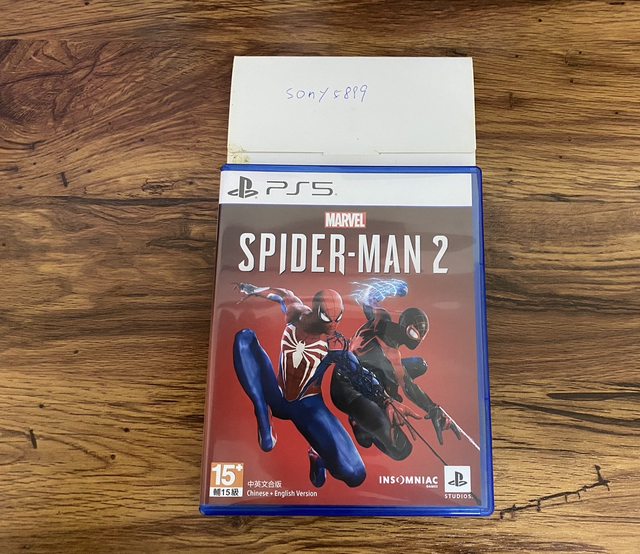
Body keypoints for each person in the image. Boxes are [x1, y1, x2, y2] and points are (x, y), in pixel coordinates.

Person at [233, 282, 404, 487]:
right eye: (327, 318)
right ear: (315, 311)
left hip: (308, 407)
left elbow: (359, 374)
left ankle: (318, 458)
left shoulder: (335, 344)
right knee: (244, 338)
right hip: (276, 394)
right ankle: (262, 412)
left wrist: (386, 400)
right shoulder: (296, 313)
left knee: (355, 474)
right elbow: (281, 293)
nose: (333, 325)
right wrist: (252, 289)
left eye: (337, 319)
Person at [331, 279, 461, 461]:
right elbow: (369, 299)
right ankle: (359, 420)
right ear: (406, 327)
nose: (417, 339)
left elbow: (408, 385)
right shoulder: (382, 324)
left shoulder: (392, 349)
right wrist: (389, 289)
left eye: (421, 335)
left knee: (419, 365)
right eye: (414, 332)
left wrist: (433, 408)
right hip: (346, 386)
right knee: (400, 449)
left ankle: (376, 407)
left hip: (372, 379)